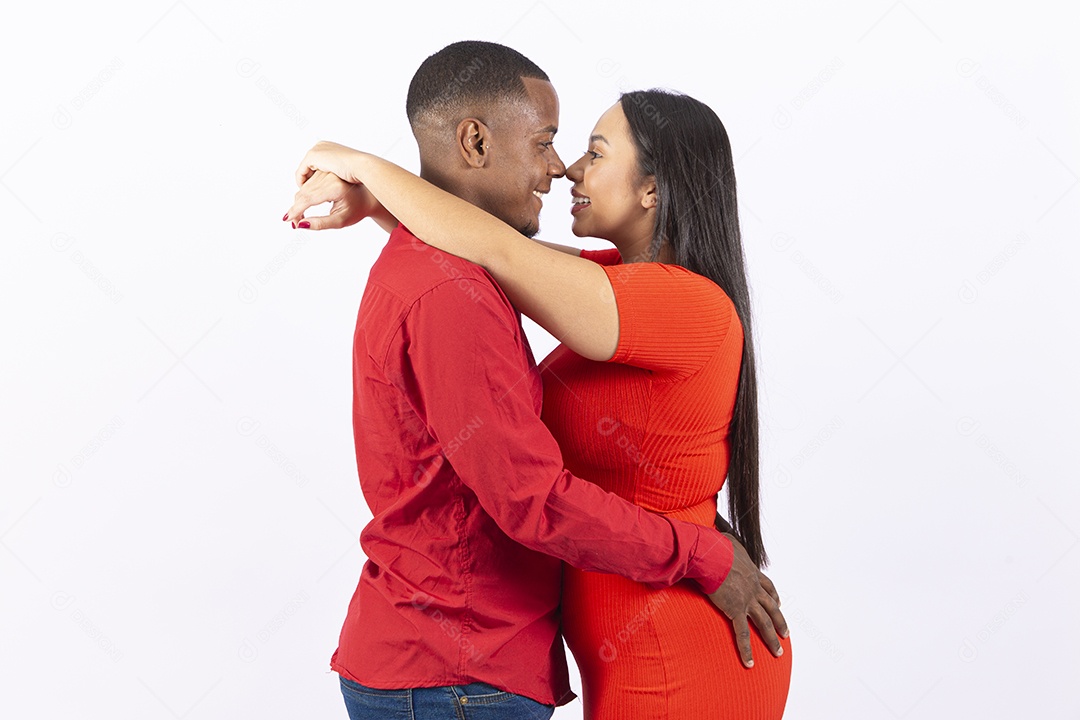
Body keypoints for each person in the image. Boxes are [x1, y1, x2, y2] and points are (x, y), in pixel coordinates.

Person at [285, 41, 789, 720]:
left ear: (652, 189)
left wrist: (362, 168)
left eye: (593, 151)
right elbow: (492, 246)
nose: (564, 169)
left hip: (671, 653)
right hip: (502, 667)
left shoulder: (677, 302)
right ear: (475, 139)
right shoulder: (513, 282)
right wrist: (379, 198)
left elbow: (498, 248)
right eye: (553, 142)